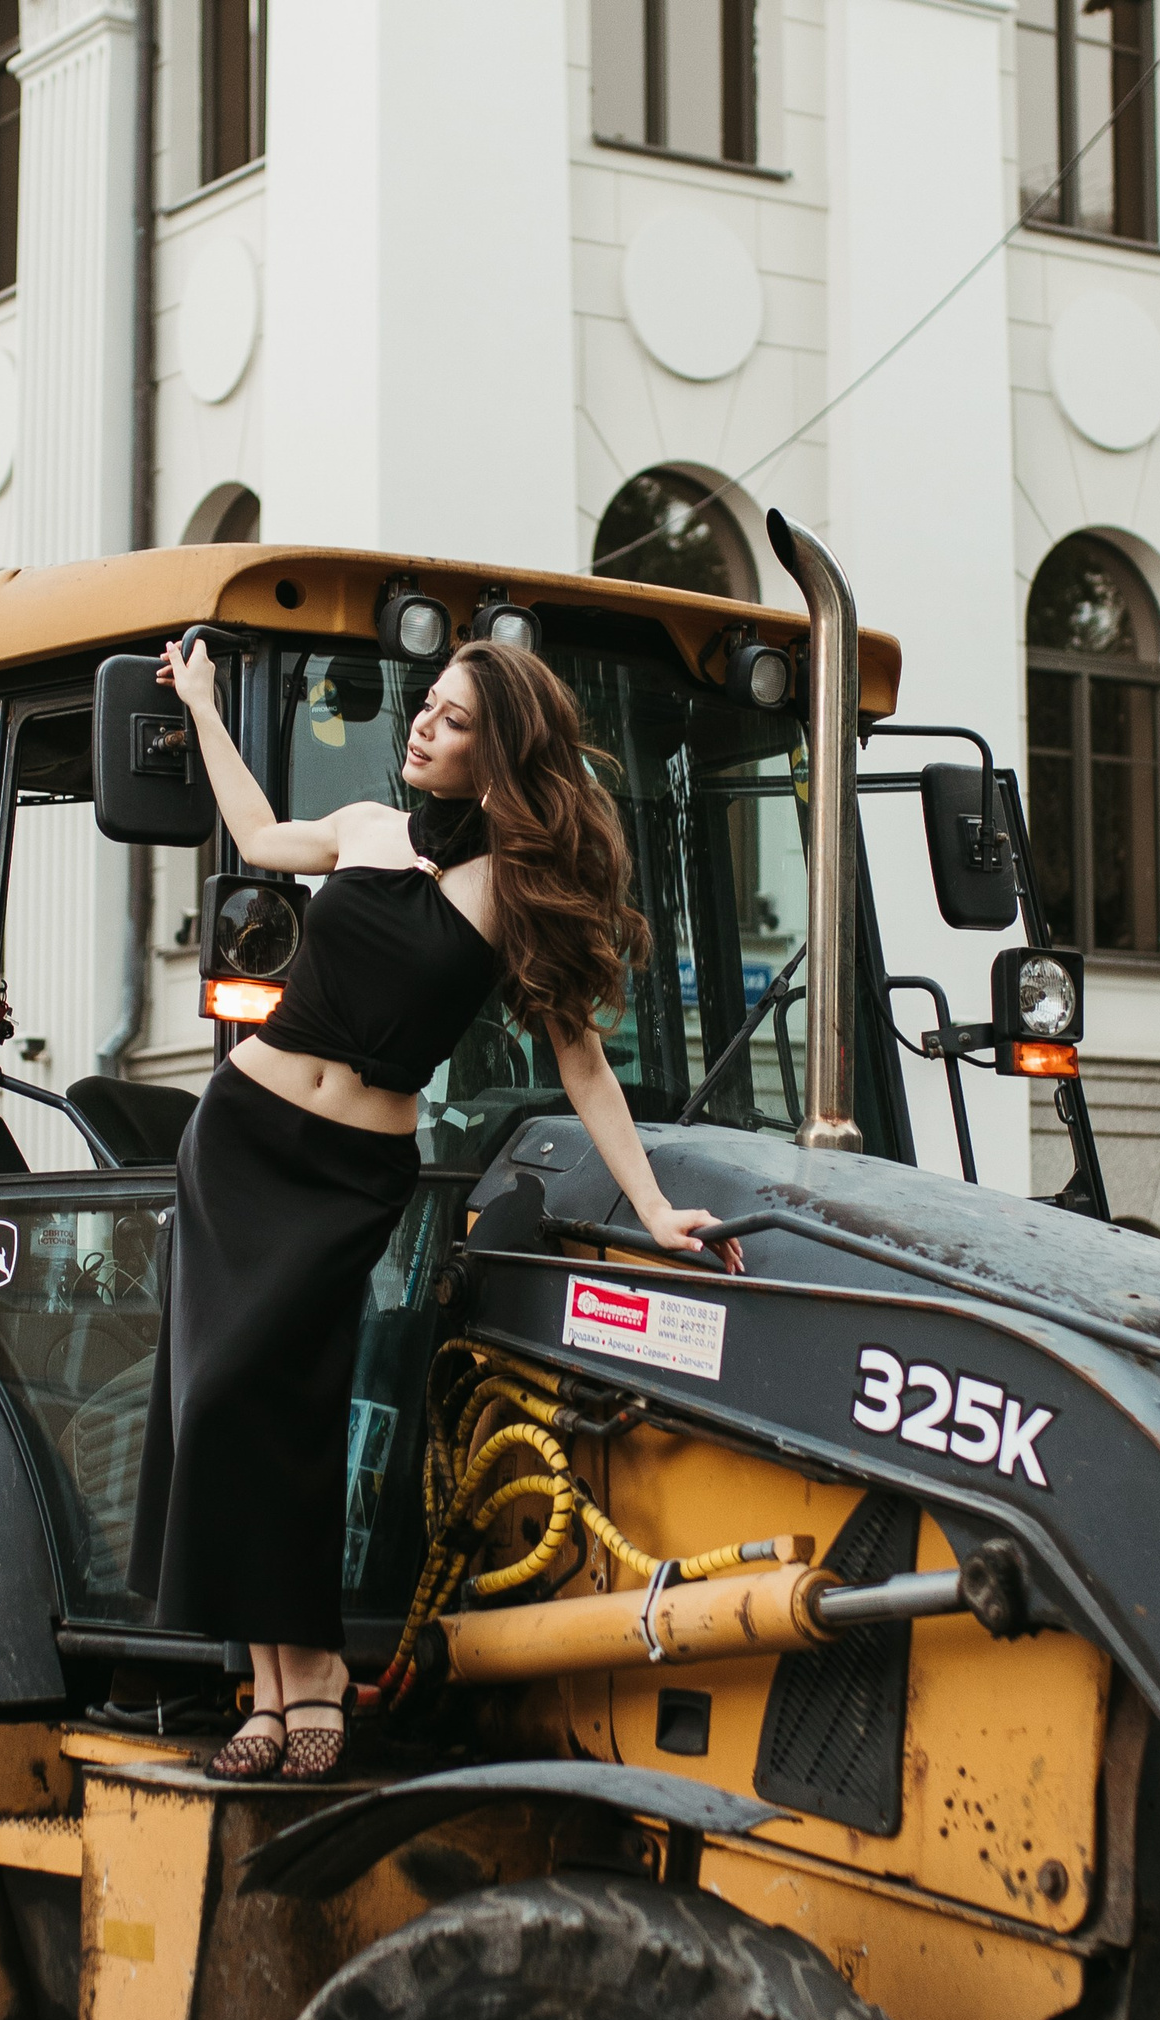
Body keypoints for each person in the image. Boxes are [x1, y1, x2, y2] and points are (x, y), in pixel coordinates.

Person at [129, 630, 739, 1778]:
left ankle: (313, 1670)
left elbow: (582, 1063)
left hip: (346, 1174)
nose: (422, 725)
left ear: (495, 752)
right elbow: (257, 835)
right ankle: (267, 1685)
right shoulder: (366, 827)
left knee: (287, 1406)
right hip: (242, 1140)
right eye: (428, 706)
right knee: (218, 1401)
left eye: (453, 719)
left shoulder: (514, 888)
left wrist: (655, 1208)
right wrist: (204, 704)